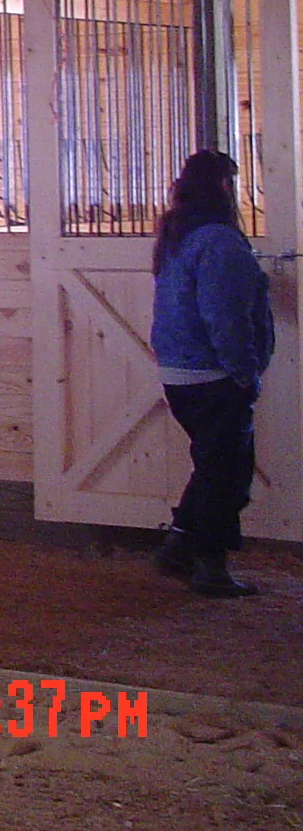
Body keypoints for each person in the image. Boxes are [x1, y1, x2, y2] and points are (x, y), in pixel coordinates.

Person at [149, 149, 275, 598]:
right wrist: (245, 373)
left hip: (180, 372)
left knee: (212, 468)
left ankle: (180, 545)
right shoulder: (219, 241)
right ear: (224, 186)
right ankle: (211, 567)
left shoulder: (180, 235)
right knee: (228, 477)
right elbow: (225, 315)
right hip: (212, 375)